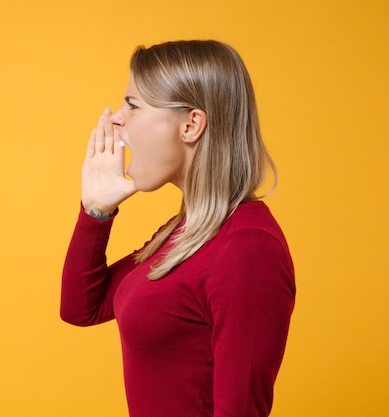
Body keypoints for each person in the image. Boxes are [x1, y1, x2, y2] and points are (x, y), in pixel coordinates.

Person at [60, 40, 296, 417]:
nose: (116, 118)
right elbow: (81, 308)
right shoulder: (187, 231)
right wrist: (95, 210)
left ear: (191, 125)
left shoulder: (247, 248)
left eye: (133, 105)